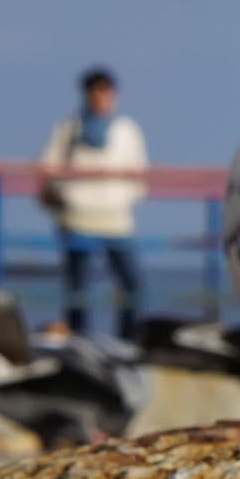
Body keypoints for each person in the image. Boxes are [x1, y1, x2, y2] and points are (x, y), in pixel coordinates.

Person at [40, 67, 148, 338]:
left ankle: (128, 338)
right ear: (86, 94)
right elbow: (49, 167)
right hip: (79, 219)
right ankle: (78, 337)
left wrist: (120, 199)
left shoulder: (127, 130)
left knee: (132, 284)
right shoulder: (69, 127)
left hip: (117, 220)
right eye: (96, 91)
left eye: (106, 91)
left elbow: (139, 174)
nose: (101, 97)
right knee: (79, 289)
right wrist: (68, 197)